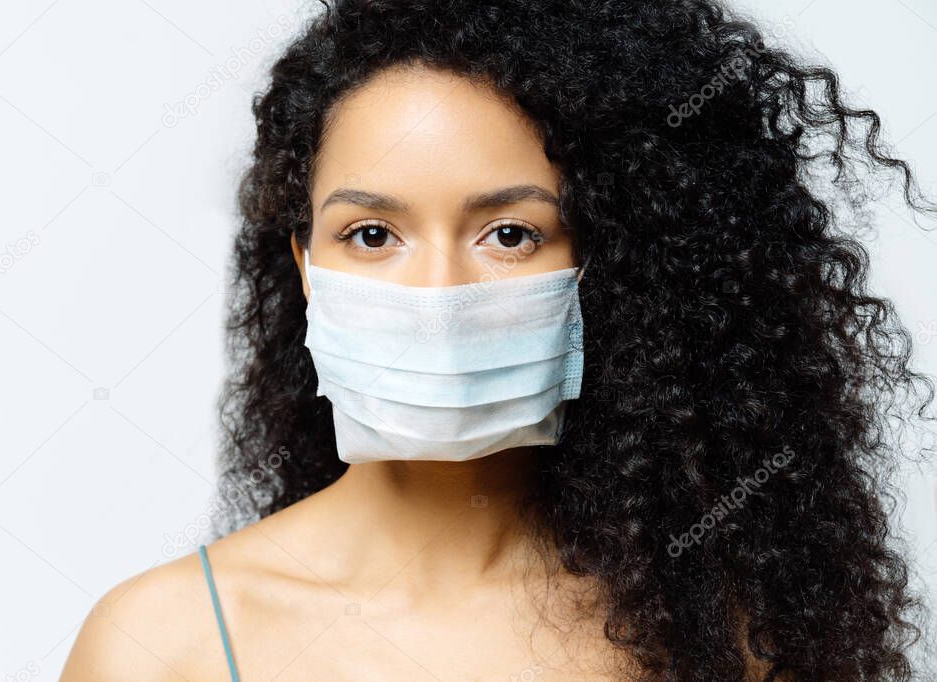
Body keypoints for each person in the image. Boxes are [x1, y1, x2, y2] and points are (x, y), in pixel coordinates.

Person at [61, 1, 937, 679]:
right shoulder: (161, 645)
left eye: (510, 234)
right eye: (371, 235)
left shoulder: (724, 634)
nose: (438, 295)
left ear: (606, 268)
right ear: (303, 267)